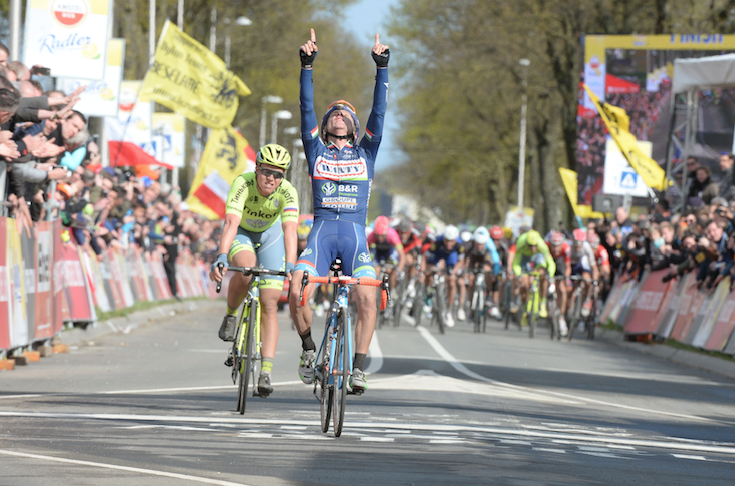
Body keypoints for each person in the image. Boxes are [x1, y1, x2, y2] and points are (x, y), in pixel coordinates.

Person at [289, 28, 390, 394]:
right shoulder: (315, 150)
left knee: (368, 295)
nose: (339, 116)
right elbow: (305, 108)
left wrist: (382, 69)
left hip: (354, 236)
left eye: (346, 115)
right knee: (297, 288)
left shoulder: (366, 153)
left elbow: (379, 111)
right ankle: (307, 348)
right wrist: (307, 66)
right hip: (321, 234)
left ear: (353, 125)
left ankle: (359, 367)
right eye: (334, 113)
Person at [210, 144, 299, 398]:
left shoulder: (288, 192)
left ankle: (266, 372)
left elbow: (290, 231)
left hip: (271, 236)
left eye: (278, 174)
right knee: (247, 269)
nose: (271, 178)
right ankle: (230, 314)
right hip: (243, 233)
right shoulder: (243, 183)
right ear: (257, 169)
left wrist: (291, 264)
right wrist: (222, 255)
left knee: (270, 304)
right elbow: (231, 222)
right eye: (267, 172)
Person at [424, 224, 465, 327]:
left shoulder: (459, 245)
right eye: (447, 240)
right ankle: (428, 292)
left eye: (452, 241)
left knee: (452, 281)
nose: (449, 244)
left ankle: (449, 312)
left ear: (456, 240)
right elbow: (427, 257)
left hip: (451, 258)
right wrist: (427, 269)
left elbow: (461, 261)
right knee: (429, 272)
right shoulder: (438, 242)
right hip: (438, 255)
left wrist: (453, 271)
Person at [511, 229, 555, 319]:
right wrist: (519, 274)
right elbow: (516, 263)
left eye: (535, 246)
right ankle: (524, 307)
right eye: (530, 246)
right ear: (526, 243)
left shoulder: (542, 245)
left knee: (543, 274)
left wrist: (550, 275)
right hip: (524, 257)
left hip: (538, 256)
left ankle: (542, 303)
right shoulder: (520, 243)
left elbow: (550, 263)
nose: (533, 248)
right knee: (523, 282)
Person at [368, 215, 406, 301]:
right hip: (378, 252)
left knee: (390, 271)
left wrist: (398, 271)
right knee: (375, 271)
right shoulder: (371, 236)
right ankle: (372, 294)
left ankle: (392, 291)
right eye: (377, 236)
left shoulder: (392, 234)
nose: (380, 238)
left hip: (390, 252)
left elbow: (402, 255)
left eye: (382, 236)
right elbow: (365, 252)